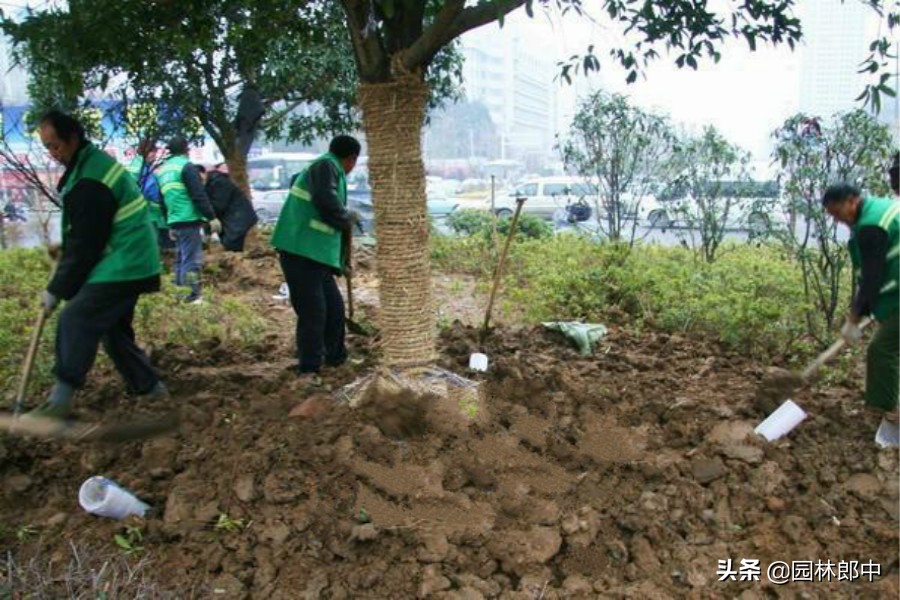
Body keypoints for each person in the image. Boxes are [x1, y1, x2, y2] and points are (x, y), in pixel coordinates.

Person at [26, 110, 166, 420]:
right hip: (127, 257)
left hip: (125, 261)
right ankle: (151, 389)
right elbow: (91, 230)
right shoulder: (88, 166)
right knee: (112, 330)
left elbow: (87, 245)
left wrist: (56, 290)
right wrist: (69, 246)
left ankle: (60, 402)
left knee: (76, 317)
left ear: (73, 139)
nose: (52, 154)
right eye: (47, 147)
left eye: (55, 146)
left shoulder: (91, 178)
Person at [271, 135, 361, 382]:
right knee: (314, 311)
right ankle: (308, 368)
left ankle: (336, 357)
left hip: (314, 255)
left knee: (334, 307)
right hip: (299, 251)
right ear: (352, 159)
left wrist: (340, 263)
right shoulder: (327, 166)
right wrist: (346, 217)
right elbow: (326, 202)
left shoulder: (329, 169)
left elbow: (328, 223)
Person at [822, 183, 899, 446]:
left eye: (838, 212)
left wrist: (853, 318)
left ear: (852, 201)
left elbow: (871, 279)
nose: (837, 219)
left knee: (881, 349)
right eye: (832, 216)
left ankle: (894, 418)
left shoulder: (870, 227)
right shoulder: (879, 210)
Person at [157, 136, 220, 303]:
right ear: (186, 150)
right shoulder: (186, 167)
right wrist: (211, 217)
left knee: (181, 259)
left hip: (174, 221)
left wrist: (168, 223)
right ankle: (192, 296)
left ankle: (179, 294)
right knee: (192, 260)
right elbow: (198, 194)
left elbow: (161, 200)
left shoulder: (163, 170)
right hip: (189, 220)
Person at [197, 164, 259, 252]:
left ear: (204, 173)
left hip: (239, 218)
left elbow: (218, 206)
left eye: (199, 178)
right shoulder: (209, 184)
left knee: (231, 245)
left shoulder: (219, 182)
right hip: (232, 219)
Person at [126, 138, 173, 252]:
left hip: (142, 212)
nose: (155, 156)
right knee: (154, 246)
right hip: (149, 213)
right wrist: (164, 201)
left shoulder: (136, 164)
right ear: (147, 151)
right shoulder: (142, 168)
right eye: (154, 152)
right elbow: (151, 190)